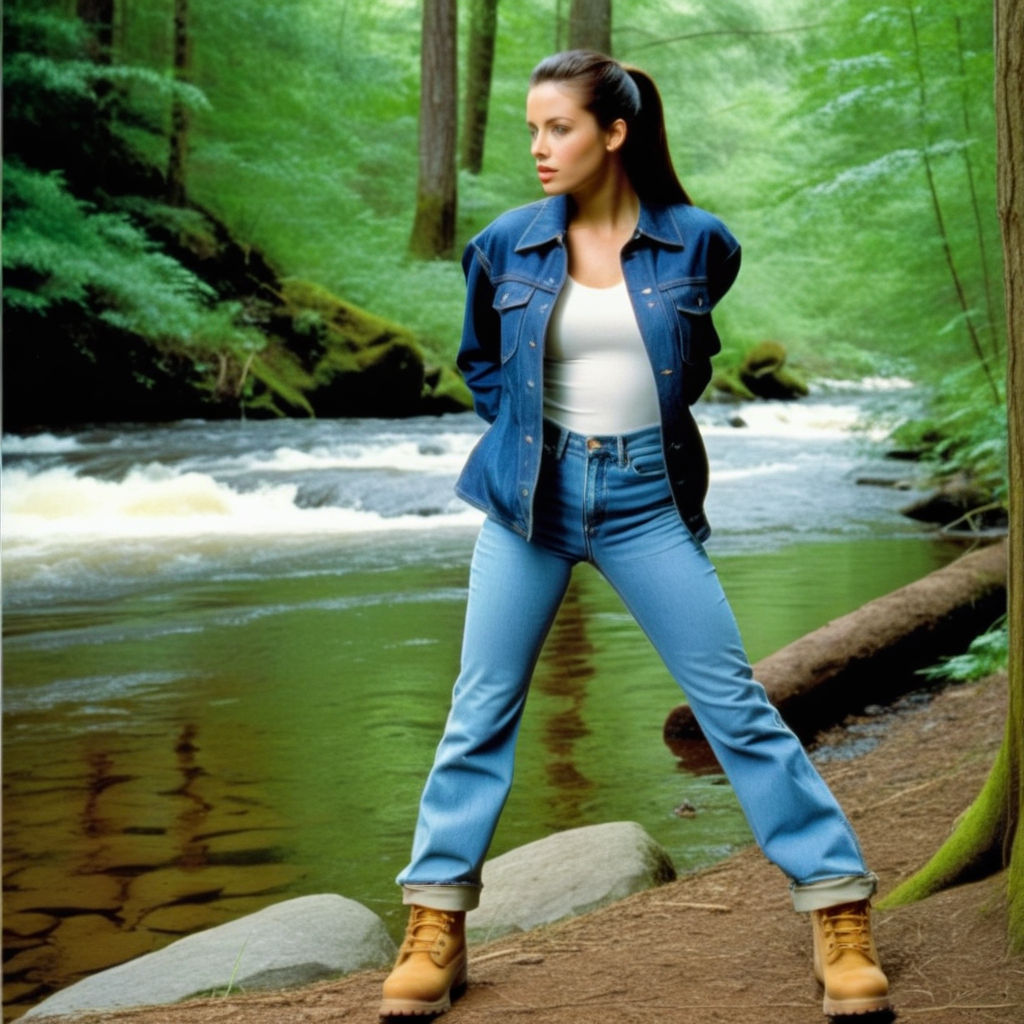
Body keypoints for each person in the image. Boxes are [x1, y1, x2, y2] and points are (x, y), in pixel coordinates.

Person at [380, 50, 891, 1020]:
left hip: (645, 498)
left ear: (613, 134)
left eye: (557, 127)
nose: (537, 147)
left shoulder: (699, 244)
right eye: (531, 128)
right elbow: (481, 365)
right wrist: (532, 429)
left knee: (734, 704)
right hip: (527, 497)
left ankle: (836, 907)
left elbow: (687, 361)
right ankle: (435, 920)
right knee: (479, 707)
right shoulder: (500, 246)